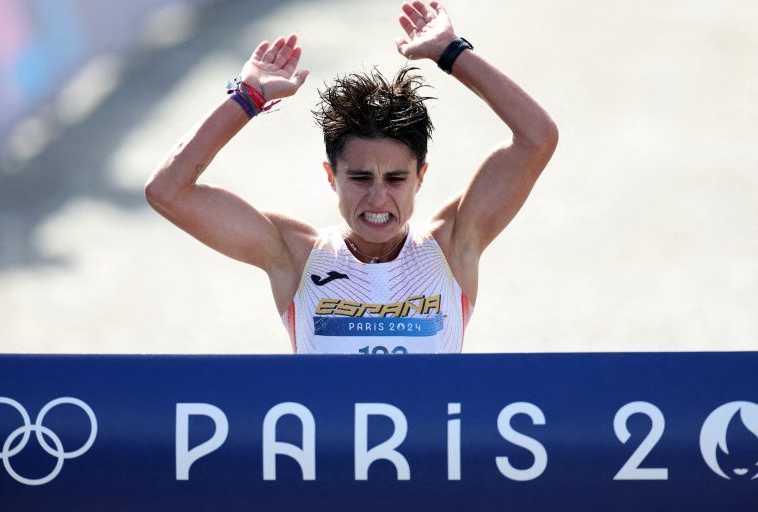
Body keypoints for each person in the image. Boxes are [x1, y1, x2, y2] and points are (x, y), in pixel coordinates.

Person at [145, 1, 558, 354]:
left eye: (395, 179)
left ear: (421, 178)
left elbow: (537, 138)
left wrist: (451, 52)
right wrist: (247, 97)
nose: (378, 199)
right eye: (361, 178)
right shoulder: (297, 256)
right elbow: (168, 191)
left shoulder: (453, 246)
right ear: (331, 176)